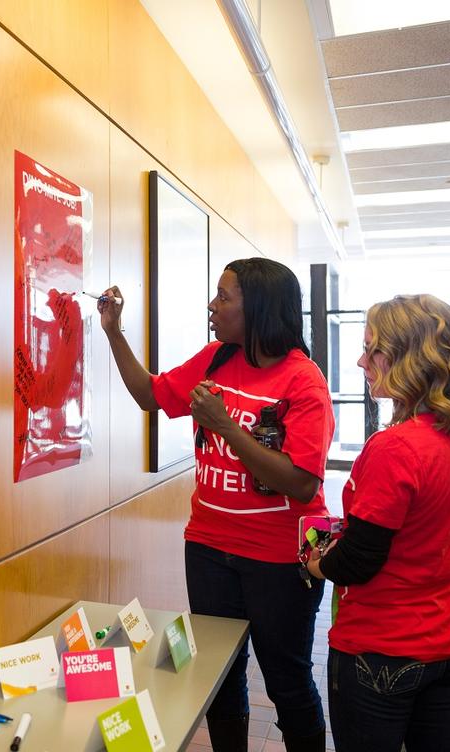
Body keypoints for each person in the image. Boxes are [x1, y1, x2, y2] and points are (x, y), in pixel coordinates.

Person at [99, 258, 334, 752]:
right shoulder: (216, 358)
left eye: (224, 297)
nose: (212, 305)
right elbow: (149, 395)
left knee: (286, 682)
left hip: (279, 561)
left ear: (260, 310)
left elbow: (301, 482)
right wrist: (114, 332)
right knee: (220, 679)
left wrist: (227, 427)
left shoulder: (303, 380)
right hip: (208, 549)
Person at [306, 294, 450, 752]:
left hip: (383, 651)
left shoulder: (395, 448)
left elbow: (360, 561)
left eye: (372, 349)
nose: (361, 360)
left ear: (410, 358)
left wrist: (316, 564)